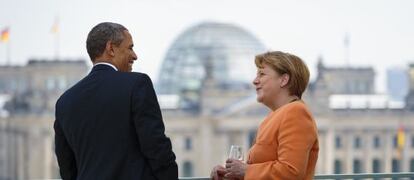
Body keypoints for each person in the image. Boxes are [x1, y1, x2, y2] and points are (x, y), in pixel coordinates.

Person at [54, 22, 178, 180]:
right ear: (111, 48)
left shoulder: (65, 102)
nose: (135, 56)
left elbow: (66, 166)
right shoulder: (137, 84)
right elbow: (156, 148)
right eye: (130, 48)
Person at [211, 51, 319, 180]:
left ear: (284, 80)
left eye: (262, 74)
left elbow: (291, 172)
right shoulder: (274, 116)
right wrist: (230, 174)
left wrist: (246, 170)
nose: (255, 81)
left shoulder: (296, 112)